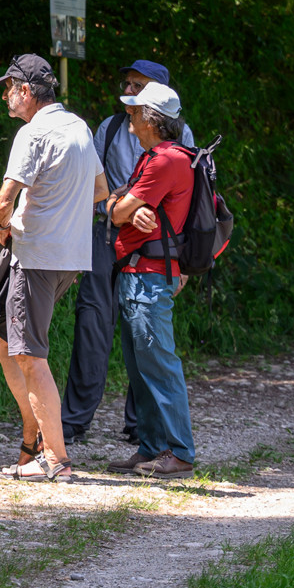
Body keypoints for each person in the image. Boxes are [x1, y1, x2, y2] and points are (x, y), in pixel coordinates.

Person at [61, 59, 194, 452]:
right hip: (110, 241)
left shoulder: (174, 147)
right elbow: (100, 190)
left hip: (153, 254)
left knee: (149, 349)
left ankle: (156, 439)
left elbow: (179, 202)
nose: (129, 92)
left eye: (139, 87)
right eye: (128, 84)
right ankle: (83, 424)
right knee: (96, 326)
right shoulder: (115, 128)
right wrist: (121, 204)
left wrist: (124, 205)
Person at [0, 54, 107, 483]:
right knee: (4, 339)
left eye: (9, 87)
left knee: (28, 353)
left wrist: (5, 228)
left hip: (34, 256)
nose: (5, 95)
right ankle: (34, 436)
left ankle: (54, 457)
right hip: (70, 258)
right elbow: (100, 190)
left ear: (26, 91)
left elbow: (3, 201)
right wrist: (62, 218)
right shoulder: (79, 127)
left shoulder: (32, 133)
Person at [107, 80, 198, 478]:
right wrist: (121, 207)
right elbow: (118, 206)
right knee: (141, 366)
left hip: (148, 278)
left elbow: (118, 207)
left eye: (134, 110)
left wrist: (122, 207)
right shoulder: (154, 156)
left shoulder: (164, 161)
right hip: (137, 274)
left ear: (150, 118)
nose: (129, 115)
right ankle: (151, 448)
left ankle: (179, 451)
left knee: (159, 365)